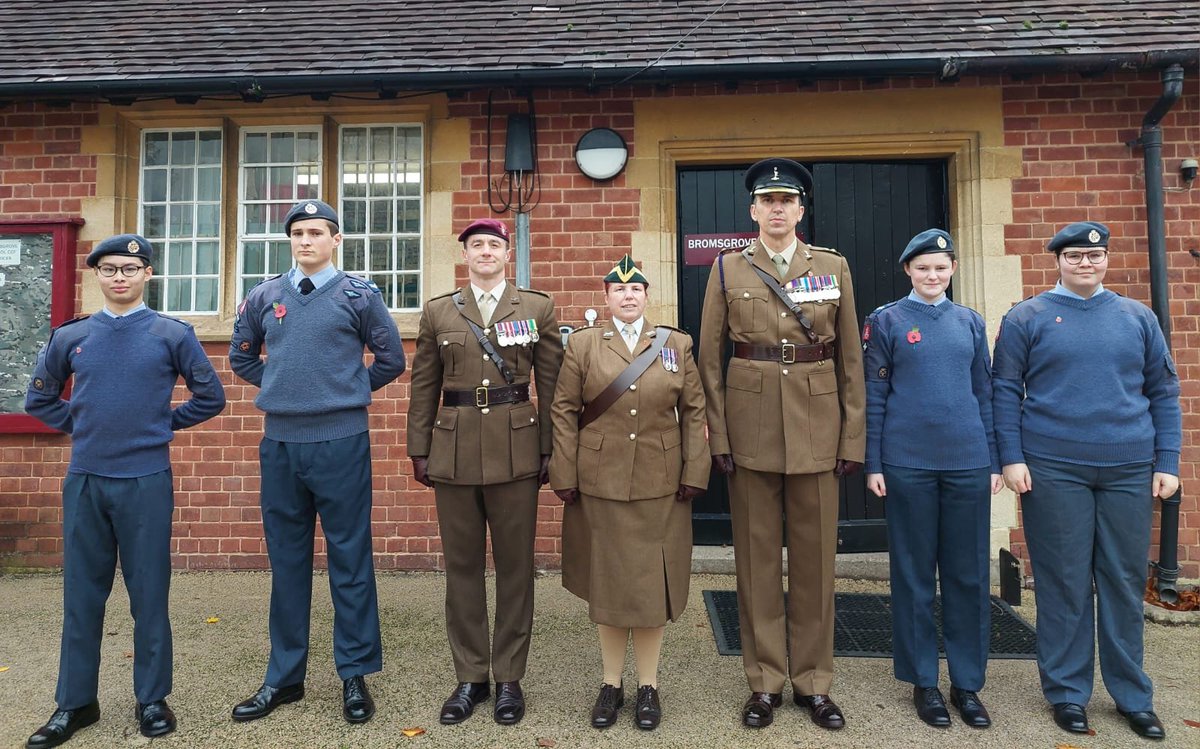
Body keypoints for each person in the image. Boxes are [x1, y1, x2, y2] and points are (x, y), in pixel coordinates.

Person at [23, 234, 226, 747]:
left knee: (149, 596)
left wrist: (161, 424)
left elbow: (210, 396)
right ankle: (75, 703)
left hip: (146, 481)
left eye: (130, 268)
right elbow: (39, 398)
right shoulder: (72, 336)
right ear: (97, 275)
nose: (119, 277)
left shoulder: (170, 334)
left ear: (147, 274)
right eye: (110, 269)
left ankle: (152, 700)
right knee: (81, 597)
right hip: (87, 479)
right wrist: (84, 423)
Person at [992, 221, 1180, 741]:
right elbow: (1004, 390)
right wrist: (1011, 457)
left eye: (1094, 255)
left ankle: (1131, 696)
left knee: (1122, 581)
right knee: (1064, 583)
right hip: (1053, 467)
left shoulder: (1137, 317)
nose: (1085, 263)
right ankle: (1068, 693)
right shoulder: (1026, 317)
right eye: (1074, 255)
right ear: (1057, 260)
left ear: (1106, 260)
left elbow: (1164, 392)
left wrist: (1167, 460)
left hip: (1129, 467)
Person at [698, 158, 865, 730]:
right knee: (757, 562)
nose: (776, 209)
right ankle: (765, 682)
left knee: (817, 564)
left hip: (818, 426)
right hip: (750, 428)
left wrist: (852, 434)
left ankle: (814, 683)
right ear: (753, 210)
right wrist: (717, 434)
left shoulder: (832, 267)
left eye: (786, 201)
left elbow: (850, 360)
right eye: (766, 201)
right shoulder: (726, 270)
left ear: (800, 210)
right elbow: (708, 360)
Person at [228, 199, 405, 725]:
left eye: (316, 233)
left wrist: (344, 390)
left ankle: (354, 674)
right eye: (298, 233)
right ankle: (283, 678)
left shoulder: (359, 295)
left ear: (336, 241)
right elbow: (241, 356)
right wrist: (283, 388)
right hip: (280, 445)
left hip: (341, 442)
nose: (306, 241)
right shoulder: (264, 295)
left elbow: (390, 359)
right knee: (286, 563)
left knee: (349, 561)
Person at [407, 217, 562, 726]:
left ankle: (510, 677)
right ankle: (471, 675)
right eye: (477, 245)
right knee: (463, 568)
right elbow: (424, 385)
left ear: (506, 253)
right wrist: (419, 448)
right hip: (453, 449)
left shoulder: (536, 307)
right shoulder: (438, 312)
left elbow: (553, 386)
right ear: (466, 255)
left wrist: (548, 451)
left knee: (516, 568)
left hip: (516, 449)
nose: (486, 252)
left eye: (494, 244)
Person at [549, 255, 708, 731]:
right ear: (607, 297)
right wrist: (565, 472)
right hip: (601, 479)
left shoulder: (675, 344)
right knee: (612, 585)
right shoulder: (582, 346)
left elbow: (696, 409)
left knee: (650, 589)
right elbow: (562, 410)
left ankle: (649, 685)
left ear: (646, 295)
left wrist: (694, 470)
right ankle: (611, 683)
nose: (627, 296)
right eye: (619, 291)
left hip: (661, 483)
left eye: (635, 290)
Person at [861, 229, 1001, 729]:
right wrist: (874, 463)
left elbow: (984, 393)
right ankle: (924, 681)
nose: (932, 275)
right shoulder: (886, 322)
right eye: (923, 268)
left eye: (940, 267)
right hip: (907, 463)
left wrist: (993, 461)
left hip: (966, 462)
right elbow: (874, 398)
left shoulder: (969, 322)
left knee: (967, 576)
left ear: (953, 270)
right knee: (915, 575)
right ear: (908, 271)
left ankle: (966, 684)